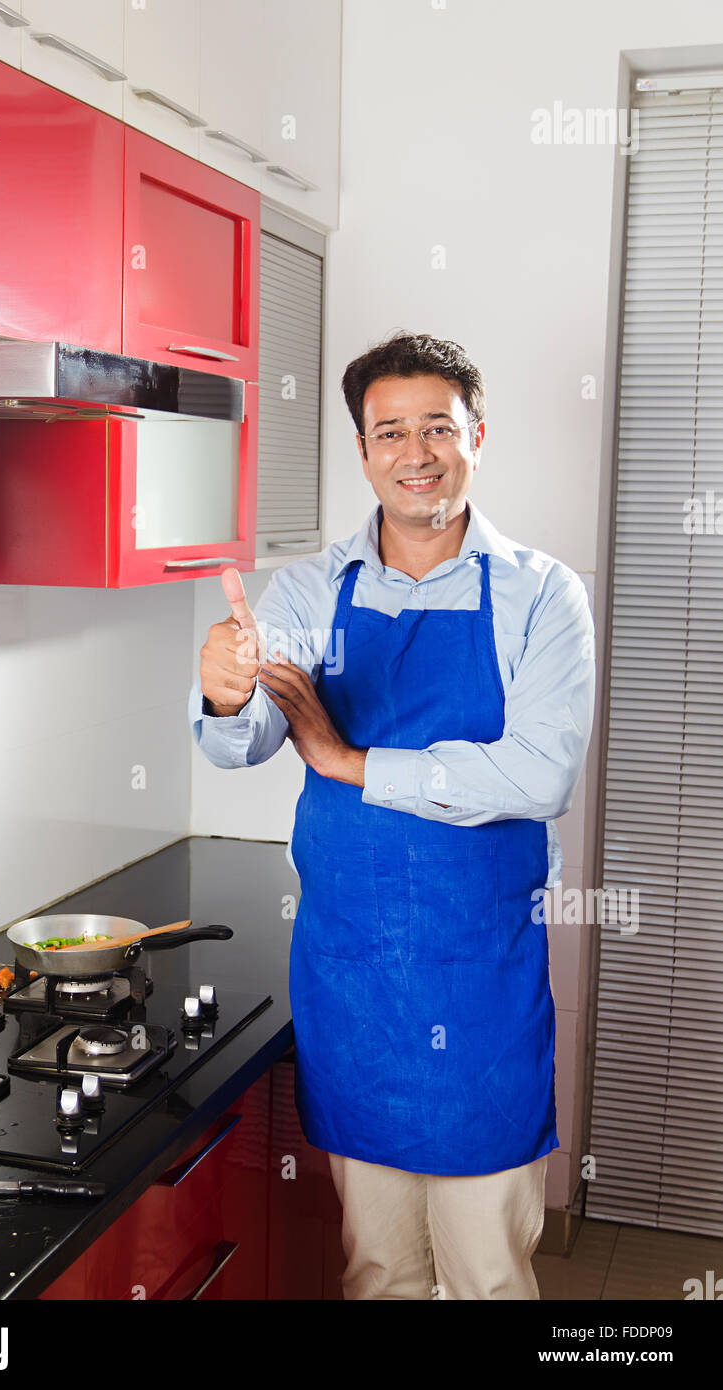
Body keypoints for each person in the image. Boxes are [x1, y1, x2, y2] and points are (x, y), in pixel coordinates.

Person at [189, 332, 595, 1300]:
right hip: (351, 969)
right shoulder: (309, 588)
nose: (415, 453)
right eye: (388, 432)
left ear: (475, 437)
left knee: (486, 1271)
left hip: (476, 976)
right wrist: (222, 696)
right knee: (375, 1266)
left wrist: (342, 758)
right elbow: (241, 746)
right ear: (363, 450)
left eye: (436, 428)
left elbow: (537, 778)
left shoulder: (541, 594)